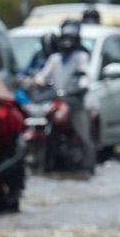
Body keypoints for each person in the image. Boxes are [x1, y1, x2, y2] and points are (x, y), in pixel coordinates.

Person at [35, 19, 95, 171]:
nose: (67, 42)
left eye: (71, 39)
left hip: (75, 102)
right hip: (57, 101)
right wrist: (35, 82)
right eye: (65, 38)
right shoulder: (55, 59)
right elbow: (42, 77)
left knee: (84, 137)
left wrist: (82, 86)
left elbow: (85, 76)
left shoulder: (81, 57)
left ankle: (88, 167)